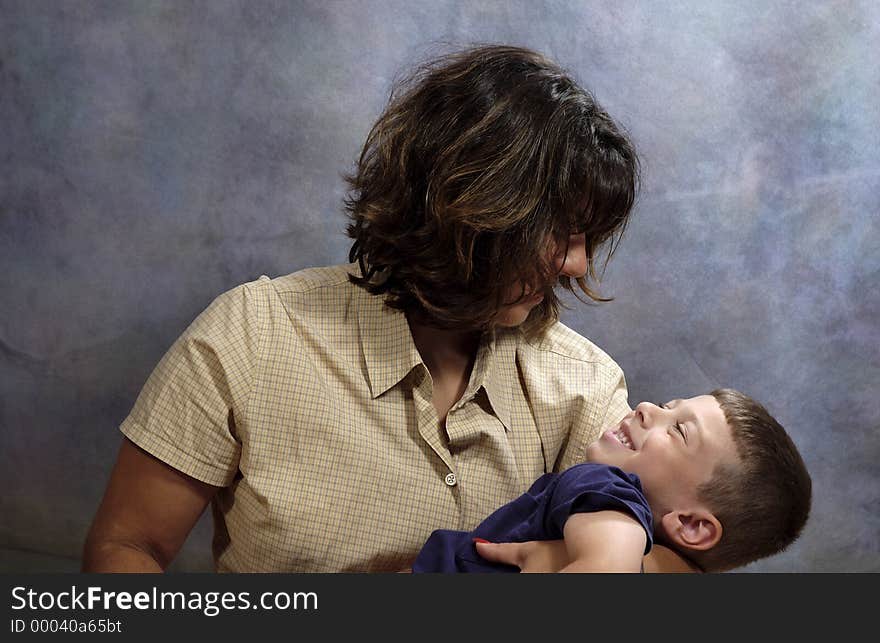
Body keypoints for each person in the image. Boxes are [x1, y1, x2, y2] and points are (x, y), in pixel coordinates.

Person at [81, 44, 669, 572]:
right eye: (562, 234)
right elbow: (128, 547)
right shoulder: (249, 335)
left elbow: (679, 556)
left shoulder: (584, 383)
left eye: (588, 238)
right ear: (473, 211)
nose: (577, 265)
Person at [413, 389, 812, 573]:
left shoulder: (608, 487)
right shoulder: (605, 492)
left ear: (690, 525)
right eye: (667, 406)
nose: (645, 409)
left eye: (679, 431)